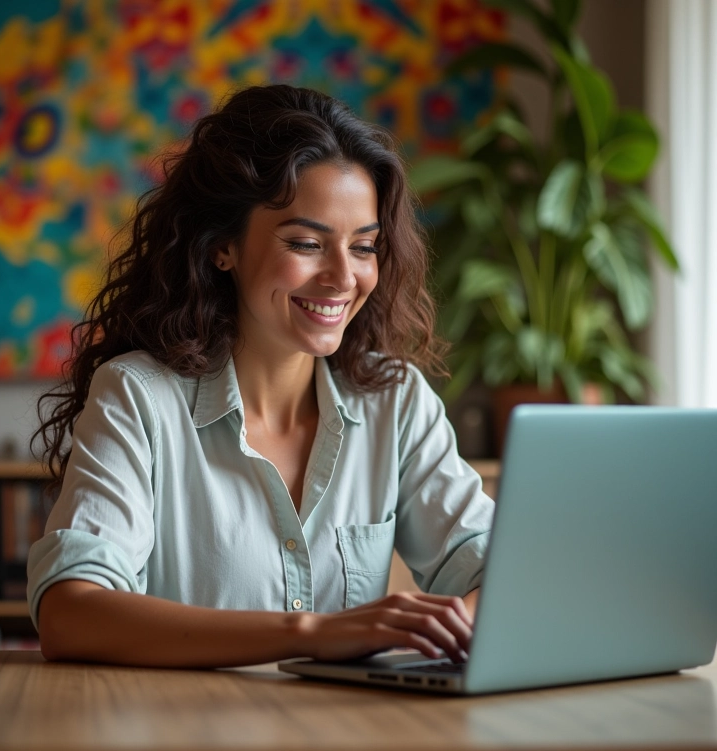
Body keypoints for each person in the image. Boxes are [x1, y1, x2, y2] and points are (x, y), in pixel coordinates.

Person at [27, 84, 494, 669]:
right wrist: (310, 632)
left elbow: (501, 570)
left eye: (365, 247)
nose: (343, 278)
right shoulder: (139, 397)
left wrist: (463, 622)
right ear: (222, 246)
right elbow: (71, 615)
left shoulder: (395, 400)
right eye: (306, 243)